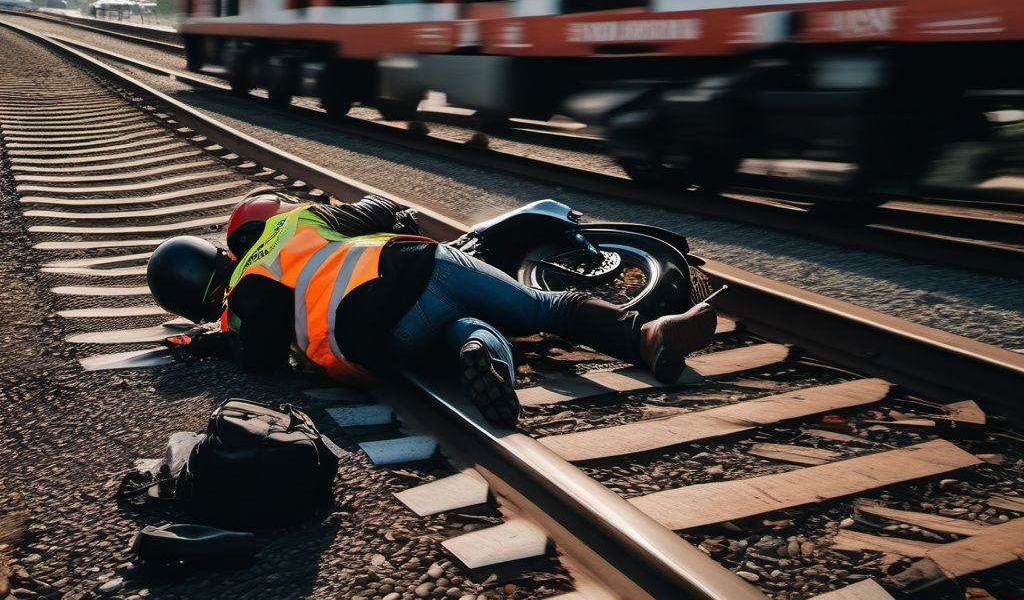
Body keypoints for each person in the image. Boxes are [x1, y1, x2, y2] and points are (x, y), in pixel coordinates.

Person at [146, 192, 717, 426]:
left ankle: (478, 353)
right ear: (221, 251)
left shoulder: (240, 311)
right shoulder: (294, 222)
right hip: (416, 267)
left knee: (459, 332)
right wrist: (397, 218)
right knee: (546, 307)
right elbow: (384, 208)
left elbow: (262, 366)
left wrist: (223, 343)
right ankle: (649, 337)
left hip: (380, 344)